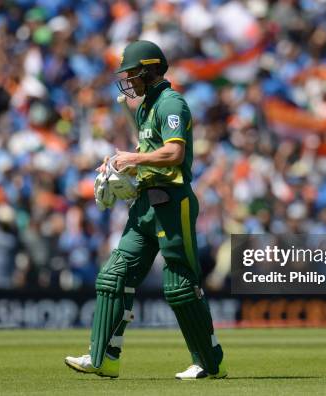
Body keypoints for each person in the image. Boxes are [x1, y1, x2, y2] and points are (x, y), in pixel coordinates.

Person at [65, 40, 226, 380]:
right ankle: (103, 358)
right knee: (114, 275)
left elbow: (173, 154)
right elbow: (146, 153)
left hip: (172, 202)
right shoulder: (146, 107)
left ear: (150, 71)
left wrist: (134, 158)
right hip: (144, 205)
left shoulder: (171, 103)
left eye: (133, 74)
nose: (129, 80)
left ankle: (210, 363)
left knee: (180, 285)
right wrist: (118, 167)